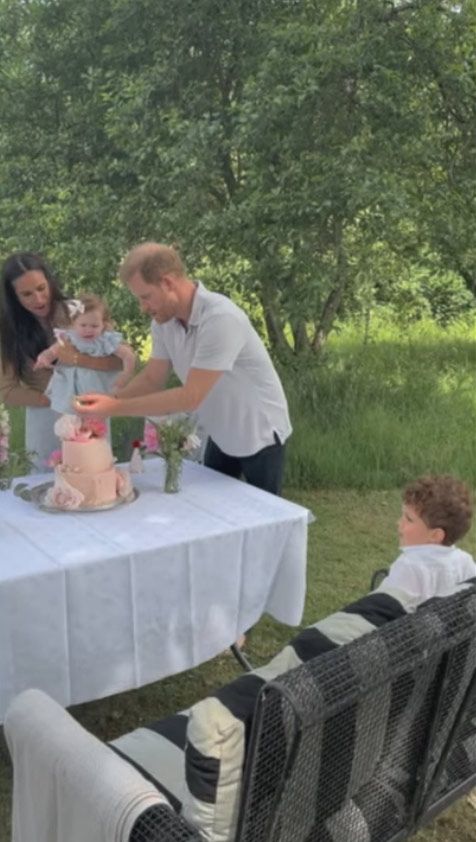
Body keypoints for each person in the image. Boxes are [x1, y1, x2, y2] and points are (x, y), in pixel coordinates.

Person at [75, 242, 292, 494]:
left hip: (260, 432)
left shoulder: (220, 318)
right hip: (220, 432)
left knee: (264, 518)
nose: (143, 308)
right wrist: (108, 401)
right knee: (212, 509)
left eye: (145, 297)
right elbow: (153, 378)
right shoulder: (164, 322)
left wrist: (115, 408)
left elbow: (190, 396)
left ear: (167, 282)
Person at [0, 252, 122, 470]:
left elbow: (117, 361)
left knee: (94, 476)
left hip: (89, 408)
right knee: (50, 479)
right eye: (26, 294)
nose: (38, 299)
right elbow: (6, 390)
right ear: (14, 297)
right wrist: (55, 400)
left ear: (50, 281)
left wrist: (77, 359)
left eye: (41, 288)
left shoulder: (80, 310)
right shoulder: (7, 331)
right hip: (45, 416)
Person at [379, 474, 475, 604]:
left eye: (409, 519)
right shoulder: (465, 562)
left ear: (435, 535)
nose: (399, 523)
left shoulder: (408, 567)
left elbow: (384, 607)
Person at [34, 292, 136, 415]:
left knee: (96, 421)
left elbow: (128, 355)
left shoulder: (104, 340)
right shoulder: (69, 337)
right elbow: (54, 350)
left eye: (94, 326)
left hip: (95, 388)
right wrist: (45, 357)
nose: (88, 330)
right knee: (69, 419)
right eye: (83, 325)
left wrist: (126, 375)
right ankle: (69, 429)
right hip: (70, 387)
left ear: (103, 325)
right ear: (73, 323)